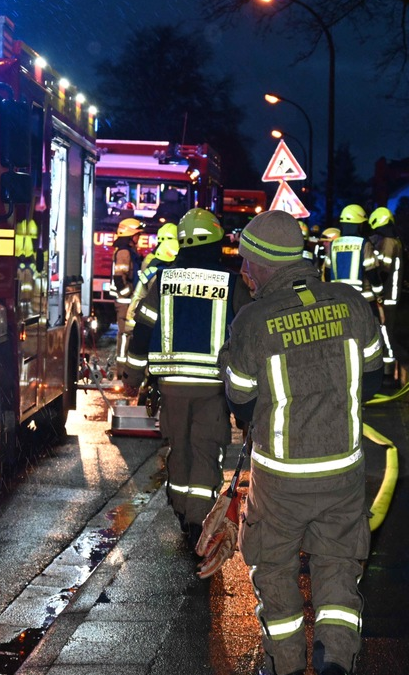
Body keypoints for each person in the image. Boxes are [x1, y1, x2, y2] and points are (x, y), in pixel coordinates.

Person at [219, 209, 383, 675]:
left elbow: (241, 400)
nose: (244, 272)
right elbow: (372, 376)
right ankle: (336, 658)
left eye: (248, 262)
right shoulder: (352, 304)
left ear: (266, 264)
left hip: (281, 479)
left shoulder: (254, 321)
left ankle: (286, 665)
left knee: (273, 569)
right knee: (338, 566)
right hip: (344, 471)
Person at [123, 208, 251, 542]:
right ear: (217, 241)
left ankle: (181, 509)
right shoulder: (232, 283)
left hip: (171, 385)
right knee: (207, 450)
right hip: (213, 386)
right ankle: (198, 521)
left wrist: (134, 374)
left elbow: (142, 330)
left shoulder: (162, 280)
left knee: (178, 447)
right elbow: (250, 337)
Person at [367, 206, 402, 371]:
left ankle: (388, 370)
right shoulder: (393, 241)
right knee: (385, 328)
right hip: (390, 294)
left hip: (387, 294)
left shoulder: (388, 243)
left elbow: (384, 269)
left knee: (385, 329)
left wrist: (378, 291)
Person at [325, 204, 377, 304]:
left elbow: (327, 272)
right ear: (359, 225)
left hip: (338, 298)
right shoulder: (364, 244)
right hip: (362, 299)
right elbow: (372, 273)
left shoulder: (333, 244)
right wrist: (380, 294)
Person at [111, 217, 142, 376]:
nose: (139, 237)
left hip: (128, 301)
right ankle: (121, 371)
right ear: (130, 235)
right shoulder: (124, 252)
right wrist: (128, 293)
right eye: (137, 234)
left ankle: (125, 370)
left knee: (128, 335)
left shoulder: (129, 251)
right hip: (125, 302)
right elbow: (119, 277)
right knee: (124, 336)